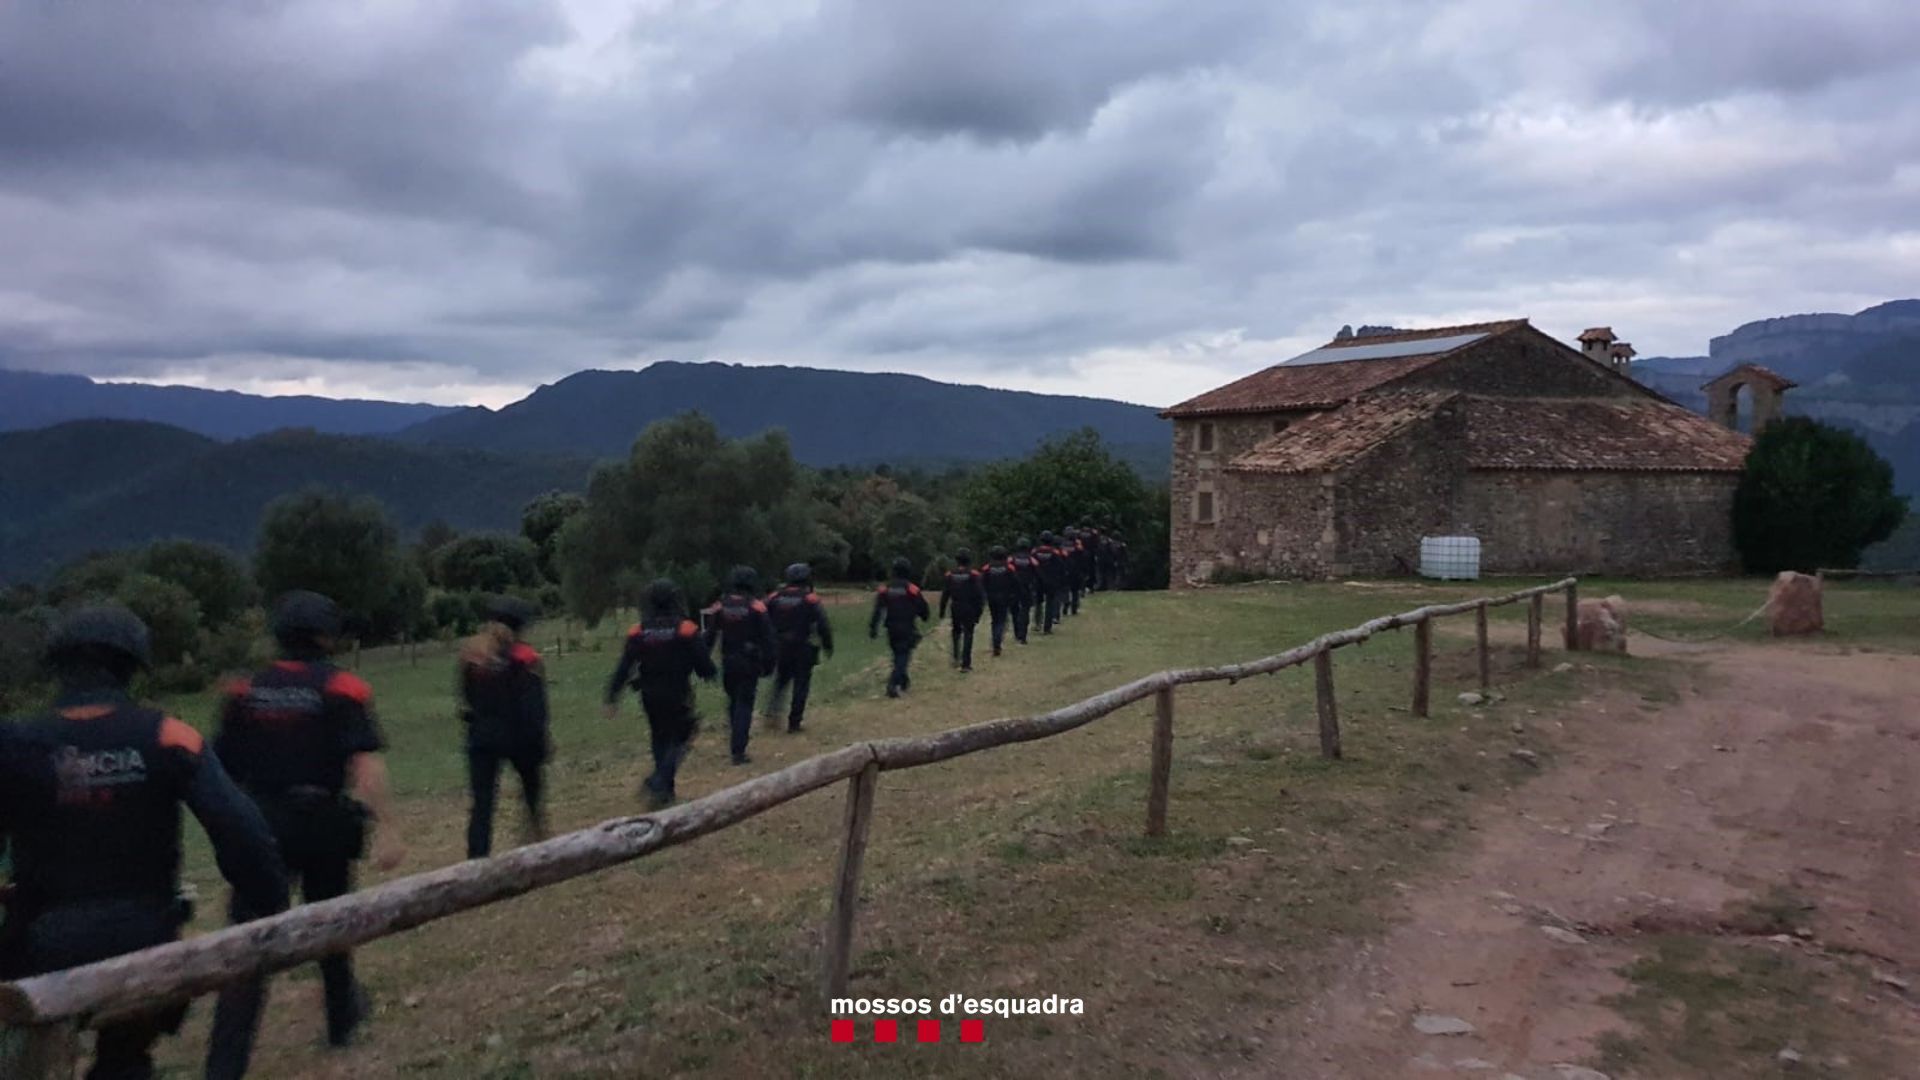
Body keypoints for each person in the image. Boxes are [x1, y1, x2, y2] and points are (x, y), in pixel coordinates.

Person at [0, 605, 287, 1080]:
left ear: (57, 666)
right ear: (131, 667)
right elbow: (240, 830)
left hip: (40, 942)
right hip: (144, 935)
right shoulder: (169, 735)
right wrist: (269, 902)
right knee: (126, 1060)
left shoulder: (14, 742)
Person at [207, 590, 402, 1077]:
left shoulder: (243, 691)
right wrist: (389, 829)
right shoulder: (343, 688)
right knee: (330, 921)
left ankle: (225, 1062)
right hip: (323, 822)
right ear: (326, 636)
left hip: (261, 823)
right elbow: (365, 764)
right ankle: (341, 1024)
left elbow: (219, 771)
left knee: (248, 943)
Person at [605, 579, 717, 808]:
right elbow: (702, 661)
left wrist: (612, 695)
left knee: (659, 736)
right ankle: (658, 782)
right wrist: (710, 673)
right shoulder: (686, 628)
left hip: (648, 693)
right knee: (682, 735)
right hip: (678, 691)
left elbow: (625, 666)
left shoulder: (639, 631)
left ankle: (666, 792)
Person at [458, 596, 551, 860]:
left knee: (482, 804)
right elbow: (534, 706)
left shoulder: (473, 657)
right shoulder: (526, 657)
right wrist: (540, 739)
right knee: (532, 791)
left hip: (482, 738)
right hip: (520, 738)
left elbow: (466, 697)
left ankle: (477, 858)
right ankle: (537, 844)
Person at [703, 567, 776, 765]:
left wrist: (703, 662)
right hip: (749, 662)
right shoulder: (757, 607)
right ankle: (738, 751)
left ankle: (735, 737)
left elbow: (709, 636)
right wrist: (769, 664)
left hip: (728, 662)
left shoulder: (720, 606)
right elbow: (768, 639)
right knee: (744, 704)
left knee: (733, 701)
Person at [763, 563, 834, 733]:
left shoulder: (774, 597)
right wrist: (827, 644)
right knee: (801, 684)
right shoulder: (810, 599)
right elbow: (822, 624)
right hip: (803, 647)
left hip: (780, 647)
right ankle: (794, 722)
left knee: (781, 681)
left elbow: (761, 618)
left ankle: (772, 712)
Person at [868, 557, 930, 698]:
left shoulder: (885, 589)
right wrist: (924, 616)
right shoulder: (912, 589)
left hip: (891, 628)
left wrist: (873, 628)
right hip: (907, 627)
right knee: (903, 656)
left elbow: (878, 610)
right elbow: (923, 608)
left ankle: (903, 681)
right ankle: (892, 684)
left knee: (897, 655)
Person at [936, 549, 987, 673]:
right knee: (968, 634)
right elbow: (980, 595)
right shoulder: (974, 575)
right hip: (969, 607)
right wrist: (979, 612)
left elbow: (945, 594)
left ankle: (955, 657)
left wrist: (942, 610)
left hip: (956, 606)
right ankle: (966, 664)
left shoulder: (950, 575)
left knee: (956, 632)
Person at [981, 544, 1024, 658]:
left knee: (994, 620)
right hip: (1005, 598)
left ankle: (995, 643)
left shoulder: (987, 568)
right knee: (1001, 621)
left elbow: (982, 584)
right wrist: (1016, 596)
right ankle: (997, 643)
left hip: (991, 598)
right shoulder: (1009, 568)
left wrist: (984, 596)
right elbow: (1016, 583)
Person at [1032, 531, 1068, 635]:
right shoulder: (1054, 552)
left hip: (1038, 581)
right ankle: (1047, 627)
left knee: (1038, 603)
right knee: (1050, 603)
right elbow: (1061, 567)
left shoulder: (1035, 552)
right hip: (1051, 582)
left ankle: (1037, 623)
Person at [1010, 538, 1040, 645]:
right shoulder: (1032, 560)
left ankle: (1017, 632)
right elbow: (1037, 574)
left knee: (1014, 611)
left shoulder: (1011, 559)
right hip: (1027, 588)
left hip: (1013, 589)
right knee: (1025, 611)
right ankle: (1023, 636)